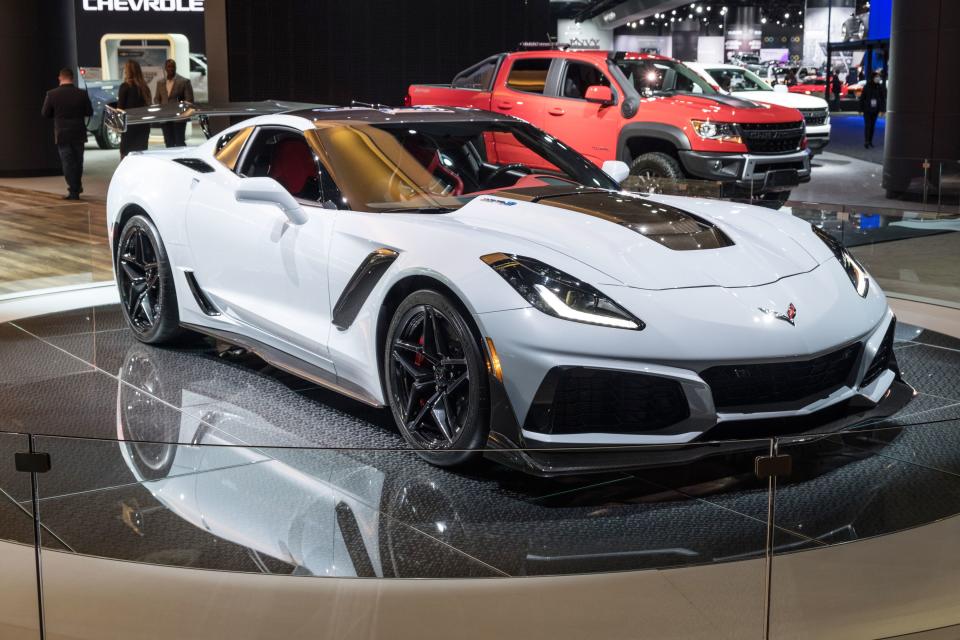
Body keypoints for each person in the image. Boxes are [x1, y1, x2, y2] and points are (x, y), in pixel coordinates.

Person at [41, 67, 93, 200]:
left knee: (67, 162)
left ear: (60, 78)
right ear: (72, 78)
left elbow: (45, 113)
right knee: (78, 161)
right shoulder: (81, 94)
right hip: (79, 132)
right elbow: (89, 112)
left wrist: (58, 114)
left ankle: (74, 191)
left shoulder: (52, 94)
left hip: (62, 133)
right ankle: (76, 187)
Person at [154, 59, 194, 147]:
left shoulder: (184, 82)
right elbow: (156, 98)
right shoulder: (160, 83)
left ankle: (181, 159)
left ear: (176, 68)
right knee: (168, 142)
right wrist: (160, 108)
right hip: (165, 117)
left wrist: (181, 108)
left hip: (179, 118)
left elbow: (190, 100)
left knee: (179, 141)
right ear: (165, 68)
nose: (171, 69)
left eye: (173, 67)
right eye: (169, 67)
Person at [117, 60, 152, 158]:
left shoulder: (125, 87)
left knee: (126, 156)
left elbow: (120, 109)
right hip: (143, 126)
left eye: (126, 69)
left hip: (130, 127)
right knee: (141, 156)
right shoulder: (145, 87)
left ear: (128, 72)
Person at [859, 72, 887, 148]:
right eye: (876, 77)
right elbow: (862, 98)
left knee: (872, 126)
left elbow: (882, 99)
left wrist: (882, 110)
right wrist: (860, 109)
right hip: (867, 109)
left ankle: (870, 141)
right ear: (873, 77)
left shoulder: (880, 87)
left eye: (879, 77)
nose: (878, 78)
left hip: (875, 109)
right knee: (868, 125)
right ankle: (866, 141)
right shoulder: (867, 86)